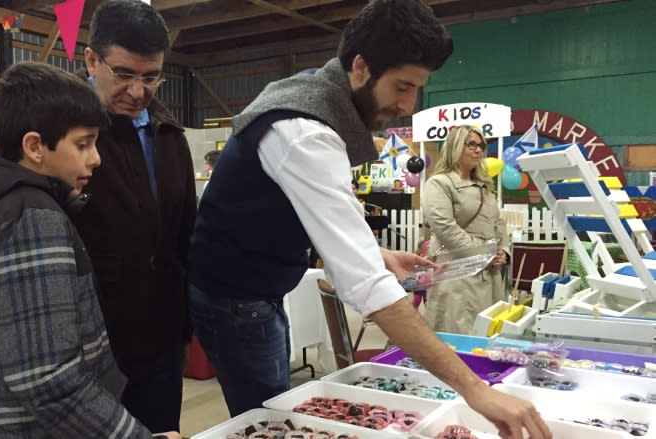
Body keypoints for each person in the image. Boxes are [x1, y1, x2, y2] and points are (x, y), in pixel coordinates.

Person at [188, 1, 551, 438]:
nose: (407, 103)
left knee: (274, 406)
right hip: (234, 297)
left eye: (417, 87)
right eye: (401, 85)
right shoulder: (306, 131)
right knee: (268, 421)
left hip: (256, 290)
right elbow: (367, 290)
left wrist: (374, 253)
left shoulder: (316, 96)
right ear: (360, 67)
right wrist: (475, 391)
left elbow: (307, 213)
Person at [0, 62, 179, 439]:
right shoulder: (29, 217)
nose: (96, 158)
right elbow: (48, 379)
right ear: (35, 146)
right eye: (83, 144)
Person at [72, 0, 196, 433]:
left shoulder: (169, 137)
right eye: (123, 74)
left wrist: (184, 320)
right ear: (91, 59)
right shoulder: (62, 132)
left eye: (151, 77)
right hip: (92, 345)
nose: (138, 91)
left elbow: (185, 237)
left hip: (162, 339)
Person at [423, 125, 510, 334]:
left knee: (488, 334)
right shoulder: (439, 183)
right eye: (471, 144)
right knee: (457, 335)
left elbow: (497, 223)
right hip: (457, 271)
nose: (478, 150)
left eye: (481, 145)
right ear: (455, 146)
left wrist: (503, 253)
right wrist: (483, 255)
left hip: (489, 273)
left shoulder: (484, 185)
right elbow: (444, 226)